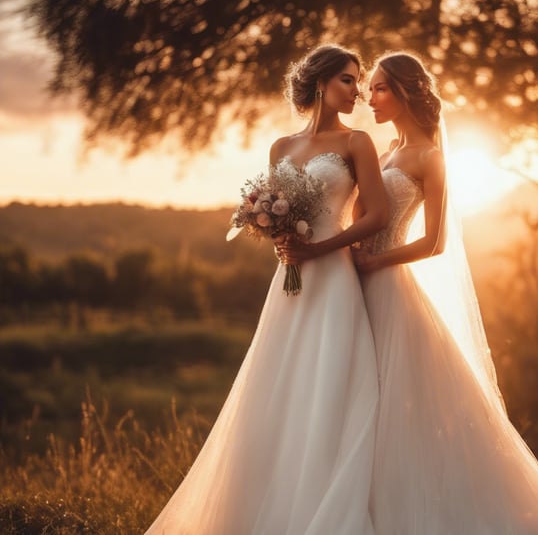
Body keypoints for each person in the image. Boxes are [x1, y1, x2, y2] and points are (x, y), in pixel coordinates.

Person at [354, 52, 538, 534]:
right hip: (354, 283)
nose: (368, 98)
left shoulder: (430, 157)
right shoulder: (385, 149)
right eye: (368, 88)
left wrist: (375, 260)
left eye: (379, 88)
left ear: (406, 92)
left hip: (388, 285)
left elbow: (435, 242)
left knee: (395, 403)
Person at [144, 44, 388, 535]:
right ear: (320, 83)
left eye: (359, 82)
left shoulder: (358, 142)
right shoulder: (280, 147)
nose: (356, 91)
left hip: (335, 278)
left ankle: (325, 504)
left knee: (331, 385)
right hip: (290, 283)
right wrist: (277, 234)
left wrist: (323, 249)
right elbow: (281, 210)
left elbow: (378, 214)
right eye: (347, 79)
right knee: (281, 385)